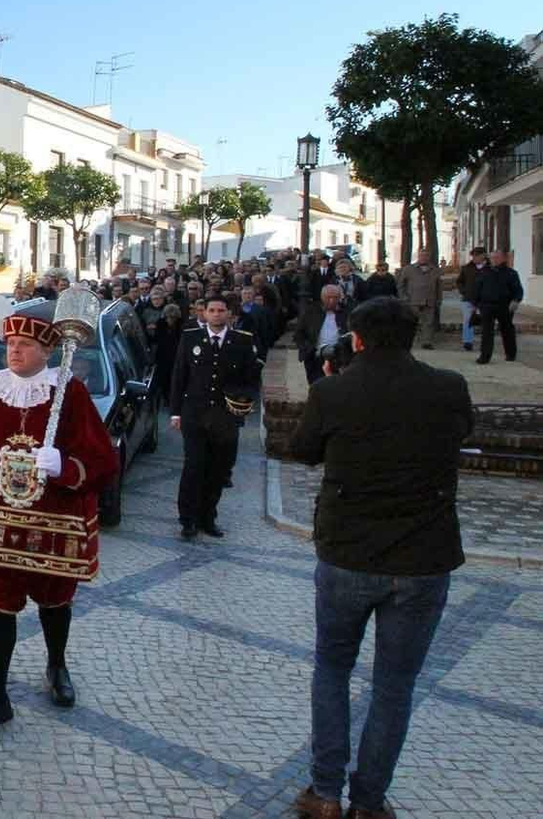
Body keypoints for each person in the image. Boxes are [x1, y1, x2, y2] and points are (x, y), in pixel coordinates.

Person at [288, 298, 472, 819]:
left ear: (358, 338)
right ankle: (368, 802)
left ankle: (325, 793)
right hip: (423, 555)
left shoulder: (334, 390)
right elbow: (462, 434)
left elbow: (303, 450)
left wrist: (330, 386)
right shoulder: (447, 387)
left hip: (349, 552)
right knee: (394, 684)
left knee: (331, 668)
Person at [0, 306, 118, 734]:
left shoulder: (71, 393)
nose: (14, 352)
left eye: (24, 345)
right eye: (9, 344)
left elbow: (102, 461)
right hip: (0, 520)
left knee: (55, 601)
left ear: (47, 350)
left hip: (53, 521)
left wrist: (64, 464)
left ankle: (56, 665)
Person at [169, 295, 259, 540]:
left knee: (218, 470)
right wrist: (175, 412)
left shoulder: (242, 341)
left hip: (225, 417)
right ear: (204, 313)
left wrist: (243, 403)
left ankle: (208, 517)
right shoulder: (190, 338)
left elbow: (252, 380)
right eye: (212, 310)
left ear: (229, 314)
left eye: (221, 310)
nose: (217, 314)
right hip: (195, 414)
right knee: (194, 467)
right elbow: (179, 376)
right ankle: (187, 520)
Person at [474, 249, 525, 364]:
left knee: (507, 330)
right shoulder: (483, 272)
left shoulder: (511, 273)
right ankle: (485, 356)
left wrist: (516, 301)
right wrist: (476, 305)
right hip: (487, 306)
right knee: (487, 332)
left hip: (505, 306)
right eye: (492, 258)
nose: (494, 260)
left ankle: (511, 354)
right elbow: (477, 290)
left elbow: (518, 290)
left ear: (503, 258)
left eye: (497, 257)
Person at [295, 285, 349, 386]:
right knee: (316, 385)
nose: (332, 300)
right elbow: (299, 333)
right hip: (315, 355)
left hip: (338, 356)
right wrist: (305, 348)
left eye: (335, 297)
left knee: (336, 386)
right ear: (322, 297)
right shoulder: (311, 311)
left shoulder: (346, 312)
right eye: (328, 297)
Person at [394, 249, 439, 350]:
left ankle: (426, 342)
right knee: (410, 322)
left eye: (426, 256)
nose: (424, 258)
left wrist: (438, 299)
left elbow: (438, 286)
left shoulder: (434, 270)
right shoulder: (408, 269)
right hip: (413, 300)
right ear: (418, 257)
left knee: (428, 323)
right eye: (422, 256)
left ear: (429, 257)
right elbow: (400, 284)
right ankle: (408, 340)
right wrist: (404, 297)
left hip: (429, 300)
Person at [455, 246, 489, 351]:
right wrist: (464, 291)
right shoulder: (467, 268)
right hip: (469, 299)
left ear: (483, 255)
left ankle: (486, 342)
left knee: (486, 321)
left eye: (476, 256)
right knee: (467, 320)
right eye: (473, 256)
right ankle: (468, 342)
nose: (474, 258)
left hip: (485, 300)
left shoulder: (490, 268)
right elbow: (459, 281)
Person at [235, 284, 275, 363]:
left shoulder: (261, 310)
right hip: (237, 344)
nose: (247, 296)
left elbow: (265, 328)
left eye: (249, 293)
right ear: (241, 295)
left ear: (253, 295)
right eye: (245, 293)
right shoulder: (235, 308)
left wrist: (263, 348)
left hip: (255, 344)